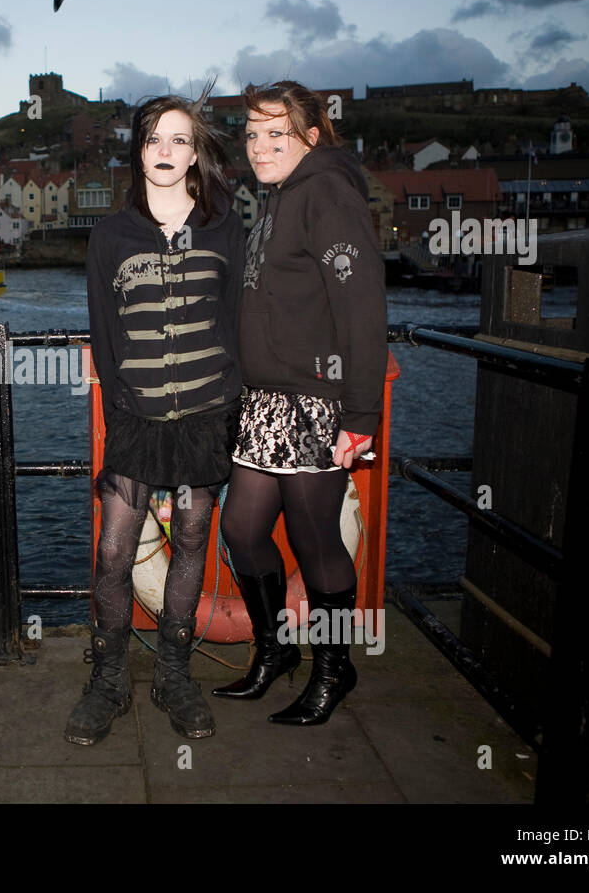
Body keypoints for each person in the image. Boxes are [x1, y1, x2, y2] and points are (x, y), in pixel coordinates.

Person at [66, 85, 244, 745]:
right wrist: (121, 414)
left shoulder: (226, 226)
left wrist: (236, 406)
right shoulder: (111, 235)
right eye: (153, 139)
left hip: (207, 413)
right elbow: (104, 336)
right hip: (137, 419)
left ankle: (173, 673)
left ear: (195, 151)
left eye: (179, 138)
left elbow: (236, 324)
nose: (166, 151)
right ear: (137, 152)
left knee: (194, 540)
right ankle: (108, 679)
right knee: (114, 549)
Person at [214, 81, 387, 725]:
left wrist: (361, 415)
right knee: (242, 530)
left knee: (317, 544)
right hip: (265, 403)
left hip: (313, 403)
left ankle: (334, 670)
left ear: (311, 137)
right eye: (252, 134)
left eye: (275, 134)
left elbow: (363, 306)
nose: (259, 146)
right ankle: (275, 653)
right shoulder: (277, 196)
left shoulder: (327, 193)